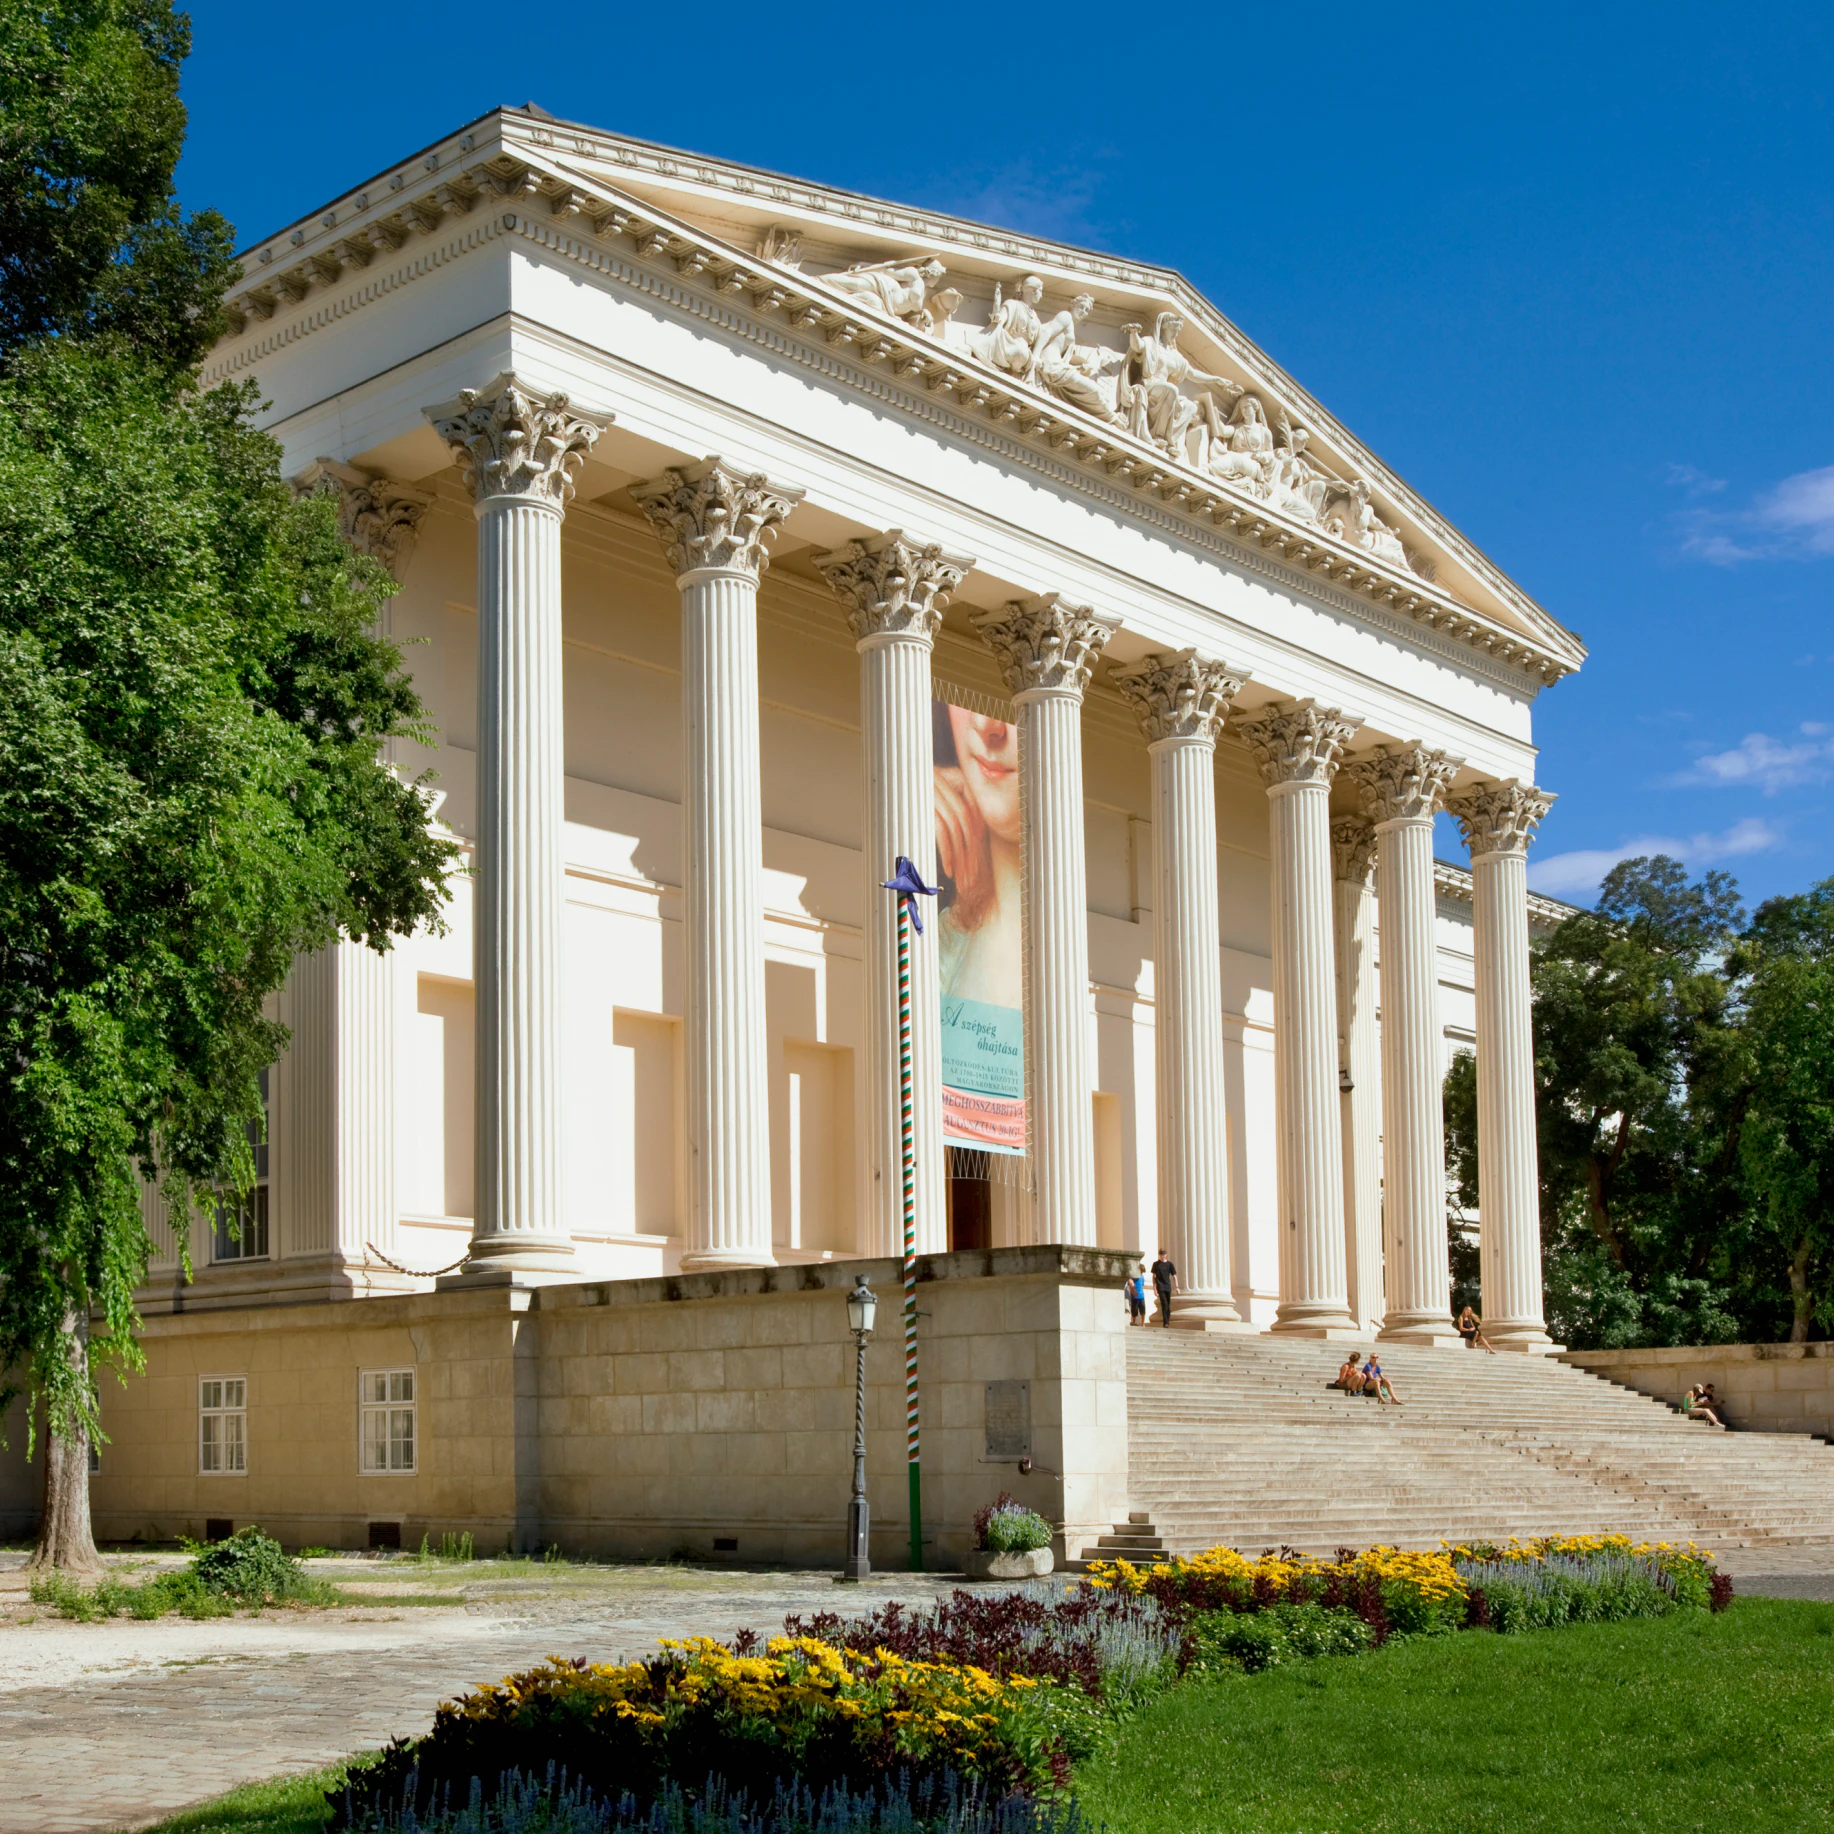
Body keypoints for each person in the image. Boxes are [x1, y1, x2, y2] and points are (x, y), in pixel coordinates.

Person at [1150, 1248, 1177, 1327]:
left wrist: (1177, 1287)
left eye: (1164, 1254)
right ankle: (1165, 1322)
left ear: (1166, 1255)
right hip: (1160, 1286)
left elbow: (1174, 1276)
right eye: (1161, 1254)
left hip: (1167, 1286)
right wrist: (1154, 1288)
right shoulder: (1156, 1264)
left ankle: (1167, 1320)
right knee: (1164, 1303)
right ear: (1159, 1255)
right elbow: (1154, 1277)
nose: (1163, 1256)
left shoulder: (1169, 1264)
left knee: (1168, 1305)